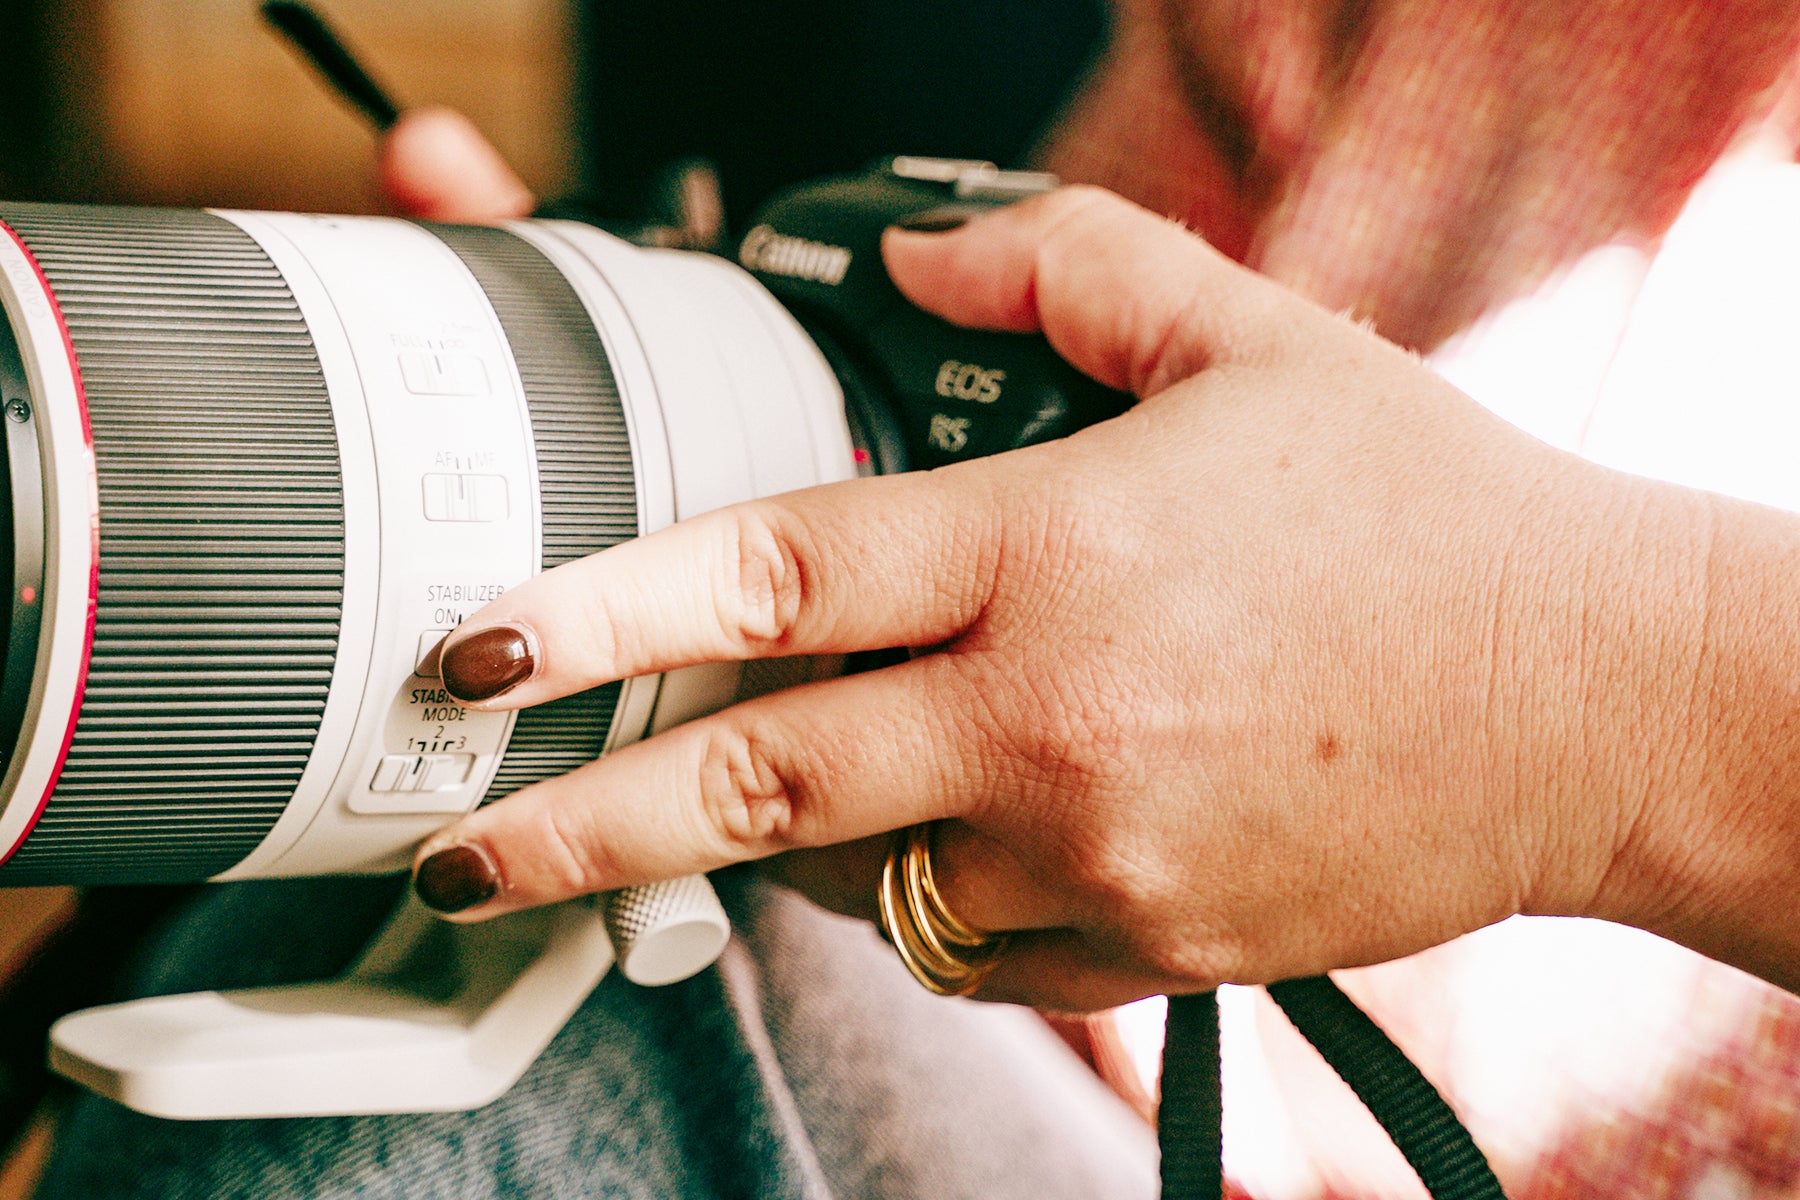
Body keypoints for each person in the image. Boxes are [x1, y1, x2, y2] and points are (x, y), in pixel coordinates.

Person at [35, 2, 1800, 1196]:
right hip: (1040, 1039)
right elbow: (1012, 395)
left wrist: (1563, 696)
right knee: (469, 901)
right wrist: (646, 408)